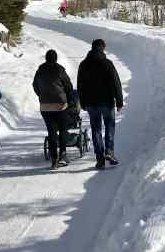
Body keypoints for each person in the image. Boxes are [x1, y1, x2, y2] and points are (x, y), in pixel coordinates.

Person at [76, 39, 123, 169]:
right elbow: (116, 83)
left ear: (92, 48)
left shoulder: (84, 65)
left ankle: (100, 159)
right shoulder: (108, 64)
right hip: (107, 102)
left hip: (91, 104)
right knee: (110, 126)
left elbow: (80, 86)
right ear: (102, 48)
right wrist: (119, 101)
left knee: (96, 129)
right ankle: (109, 151)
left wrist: (83, 102)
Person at [33, 49, 75, 170]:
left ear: (46, 58)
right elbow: (68, 86)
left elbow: (35, 86)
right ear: (56, 58)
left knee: (51, 132)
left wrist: (42, 95)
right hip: (60, 105)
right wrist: (69, 99)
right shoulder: (59, 70)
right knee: (62, 130)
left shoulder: (40, 70)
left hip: (45, 106)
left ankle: (54, 159)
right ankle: (63, 154)